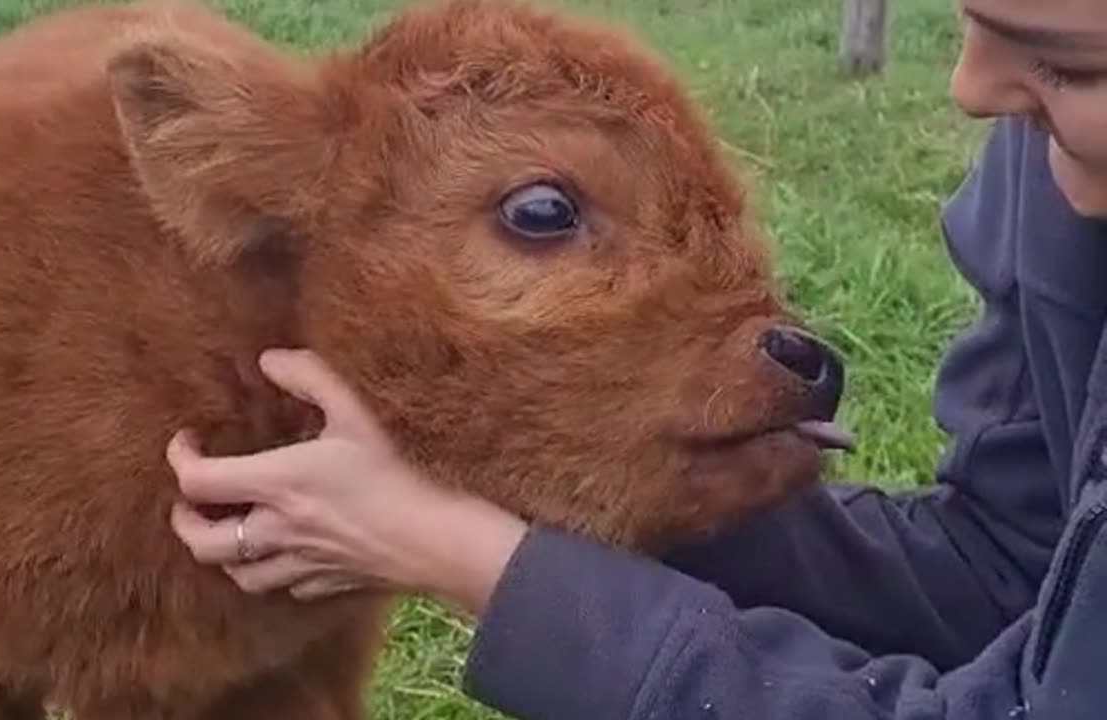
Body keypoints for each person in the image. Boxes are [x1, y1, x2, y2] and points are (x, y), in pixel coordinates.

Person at [165, 1, 1107, 718]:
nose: (972, 89)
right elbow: (1012, 562)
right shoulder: (1049, 158)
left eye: (1069, 67)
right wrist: (642, 477)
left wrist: (485, 563)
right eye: (972, 22)